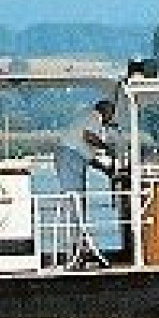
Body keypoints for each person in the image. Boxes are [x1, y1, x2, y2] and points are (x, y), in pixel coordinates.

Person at [55, 98, 119, 252]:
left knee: (78, 200)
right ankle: (76, 246)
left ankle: (79, 243)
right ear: (105, 111)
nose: (112, 118)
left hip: (72, 157)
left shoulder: (90, 119)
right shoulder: (93, 116)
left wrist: (106, 170)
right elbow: (88, 137)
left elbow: (88, 156)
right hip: (69, 156)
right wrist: (107, 148)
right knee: (75, 199)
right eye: (112, 113)